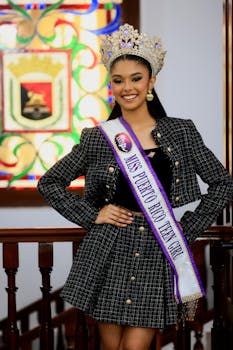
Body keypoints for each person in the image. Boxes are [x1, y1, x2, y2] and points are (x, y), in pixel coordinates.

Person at [38, 24, 233, 350]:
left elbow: (222, 183)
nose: (127, 87)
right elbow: (50, 183)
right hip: (107, 249)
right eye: (118, 80)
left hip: (157, 249)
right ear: (111, 85)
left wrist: (186, 229)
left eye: (136, 78)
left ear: (151, 81)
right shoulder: (98, 138)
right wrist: (93, 215)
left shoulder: (181, 132)